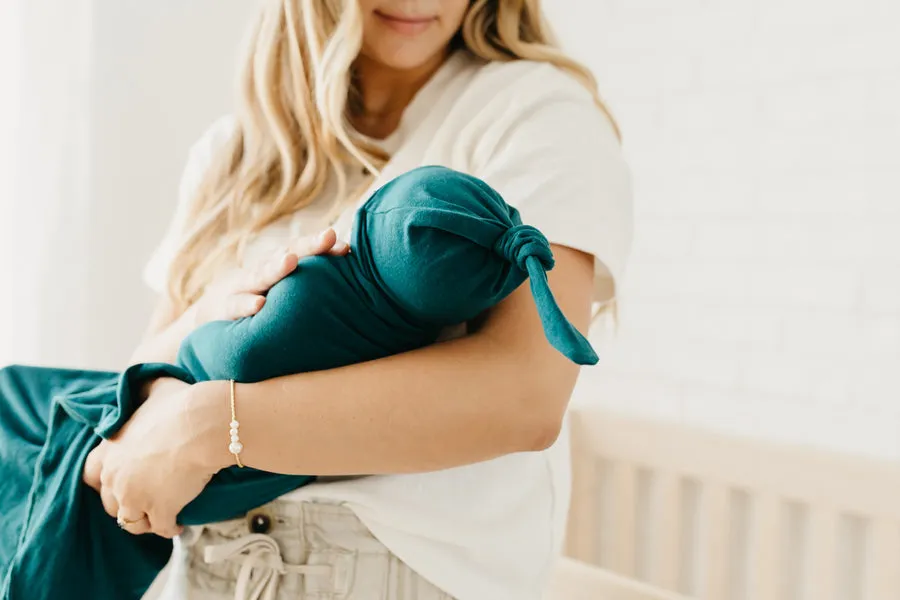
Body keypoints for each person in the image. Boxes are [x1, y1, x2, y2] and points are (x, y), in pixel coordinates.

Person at [82, 0, 633, 598]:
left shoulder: (532, 112)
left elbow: (524, 396)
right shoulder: (234, 152)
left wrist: (213, 424)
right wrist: (199, 328)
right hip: (200, 570)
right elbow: (147, 367)